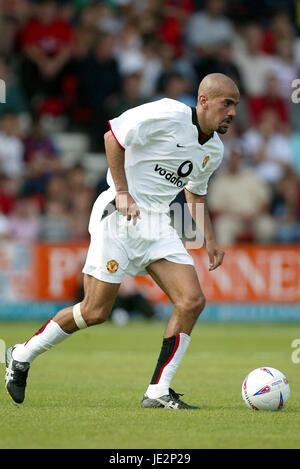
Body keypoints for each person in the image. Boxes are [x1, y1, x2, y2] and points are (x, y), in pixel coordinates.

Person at [5, 73, 240, 409]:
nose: (232, 112)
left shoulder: (213, 150)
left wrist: (211, 240)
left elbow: (195, 195)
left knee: (191, 301)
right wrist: (123, 192)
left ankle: (159, 390)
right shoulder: (167, 114)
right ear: (203, 101)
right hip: (119, 215)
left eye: (235, 105)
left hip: (158, 224)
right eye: (226, 103)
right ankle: (21, 355)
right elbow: (112, 136)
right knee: (95, 311)